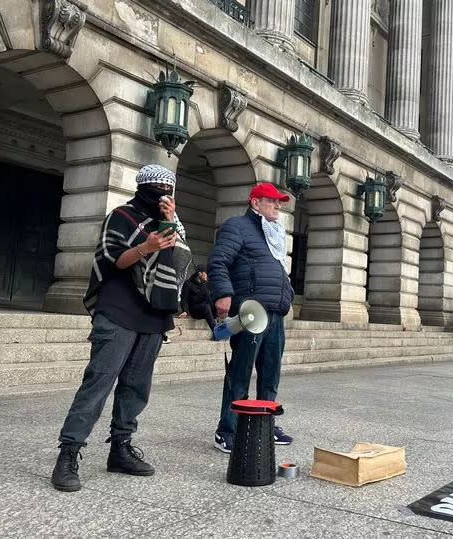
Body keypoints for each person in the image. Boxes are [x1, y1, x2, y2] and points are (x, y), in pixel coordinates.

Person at [51, 165, 191, 492]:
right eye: (156, 186)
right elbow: (115, 260)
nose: (162, 191)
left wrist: (172, 220)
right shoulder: (120, 215)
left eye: (168, 187)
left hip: (154, 313)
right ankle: (68, 452)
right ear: (142, 186)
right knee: (99, 381)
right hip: (118, 308)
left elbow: (180, 261)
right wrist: (146, 247)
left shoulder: (172, 222)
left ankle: (121, 448)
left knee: (136, 386)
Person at [208, 182, 295, 453]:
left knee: (271, 373)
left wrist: (288, 294)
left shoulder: (275, 234)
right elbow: (218, 261)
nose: (277, 206)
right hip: (250, 311)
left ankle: (264, 424)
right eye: (272, 201)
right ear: (255, 203)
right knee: (241, 371)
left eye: (279, 202)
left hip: (275, 312)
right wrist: (223, 293)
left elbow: (279, 270)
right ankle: (228, 429)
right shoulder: (237, 226)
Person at [180, 265, 216, 329]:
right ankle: (216, 331)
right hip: (195, 311)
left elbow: (210, 299)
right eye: (206, 273)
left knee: (217, 304)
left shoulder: (205, 284)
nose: (207, 275)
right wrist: (185, 310)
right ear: (200, 273)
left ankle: (224, 328)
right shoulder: (188, 283)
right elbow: (184, 299)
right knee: (206, 307)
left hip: (206, 310)